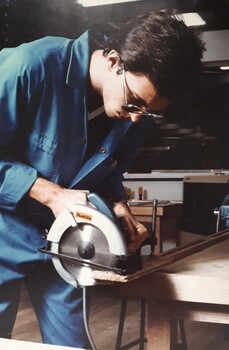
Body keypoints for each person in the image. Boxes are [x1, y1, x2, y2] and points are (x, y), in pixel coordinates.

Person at [0, 10, 204, 348]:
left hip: (65, 247)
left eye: (150, 111)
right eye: (136, 102)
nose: (138, 119)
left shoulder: (138, 109)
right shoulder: (31, 65)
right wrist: (50, 194)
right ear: (113, 60)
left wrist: (119, 206)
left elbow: (109, 167)